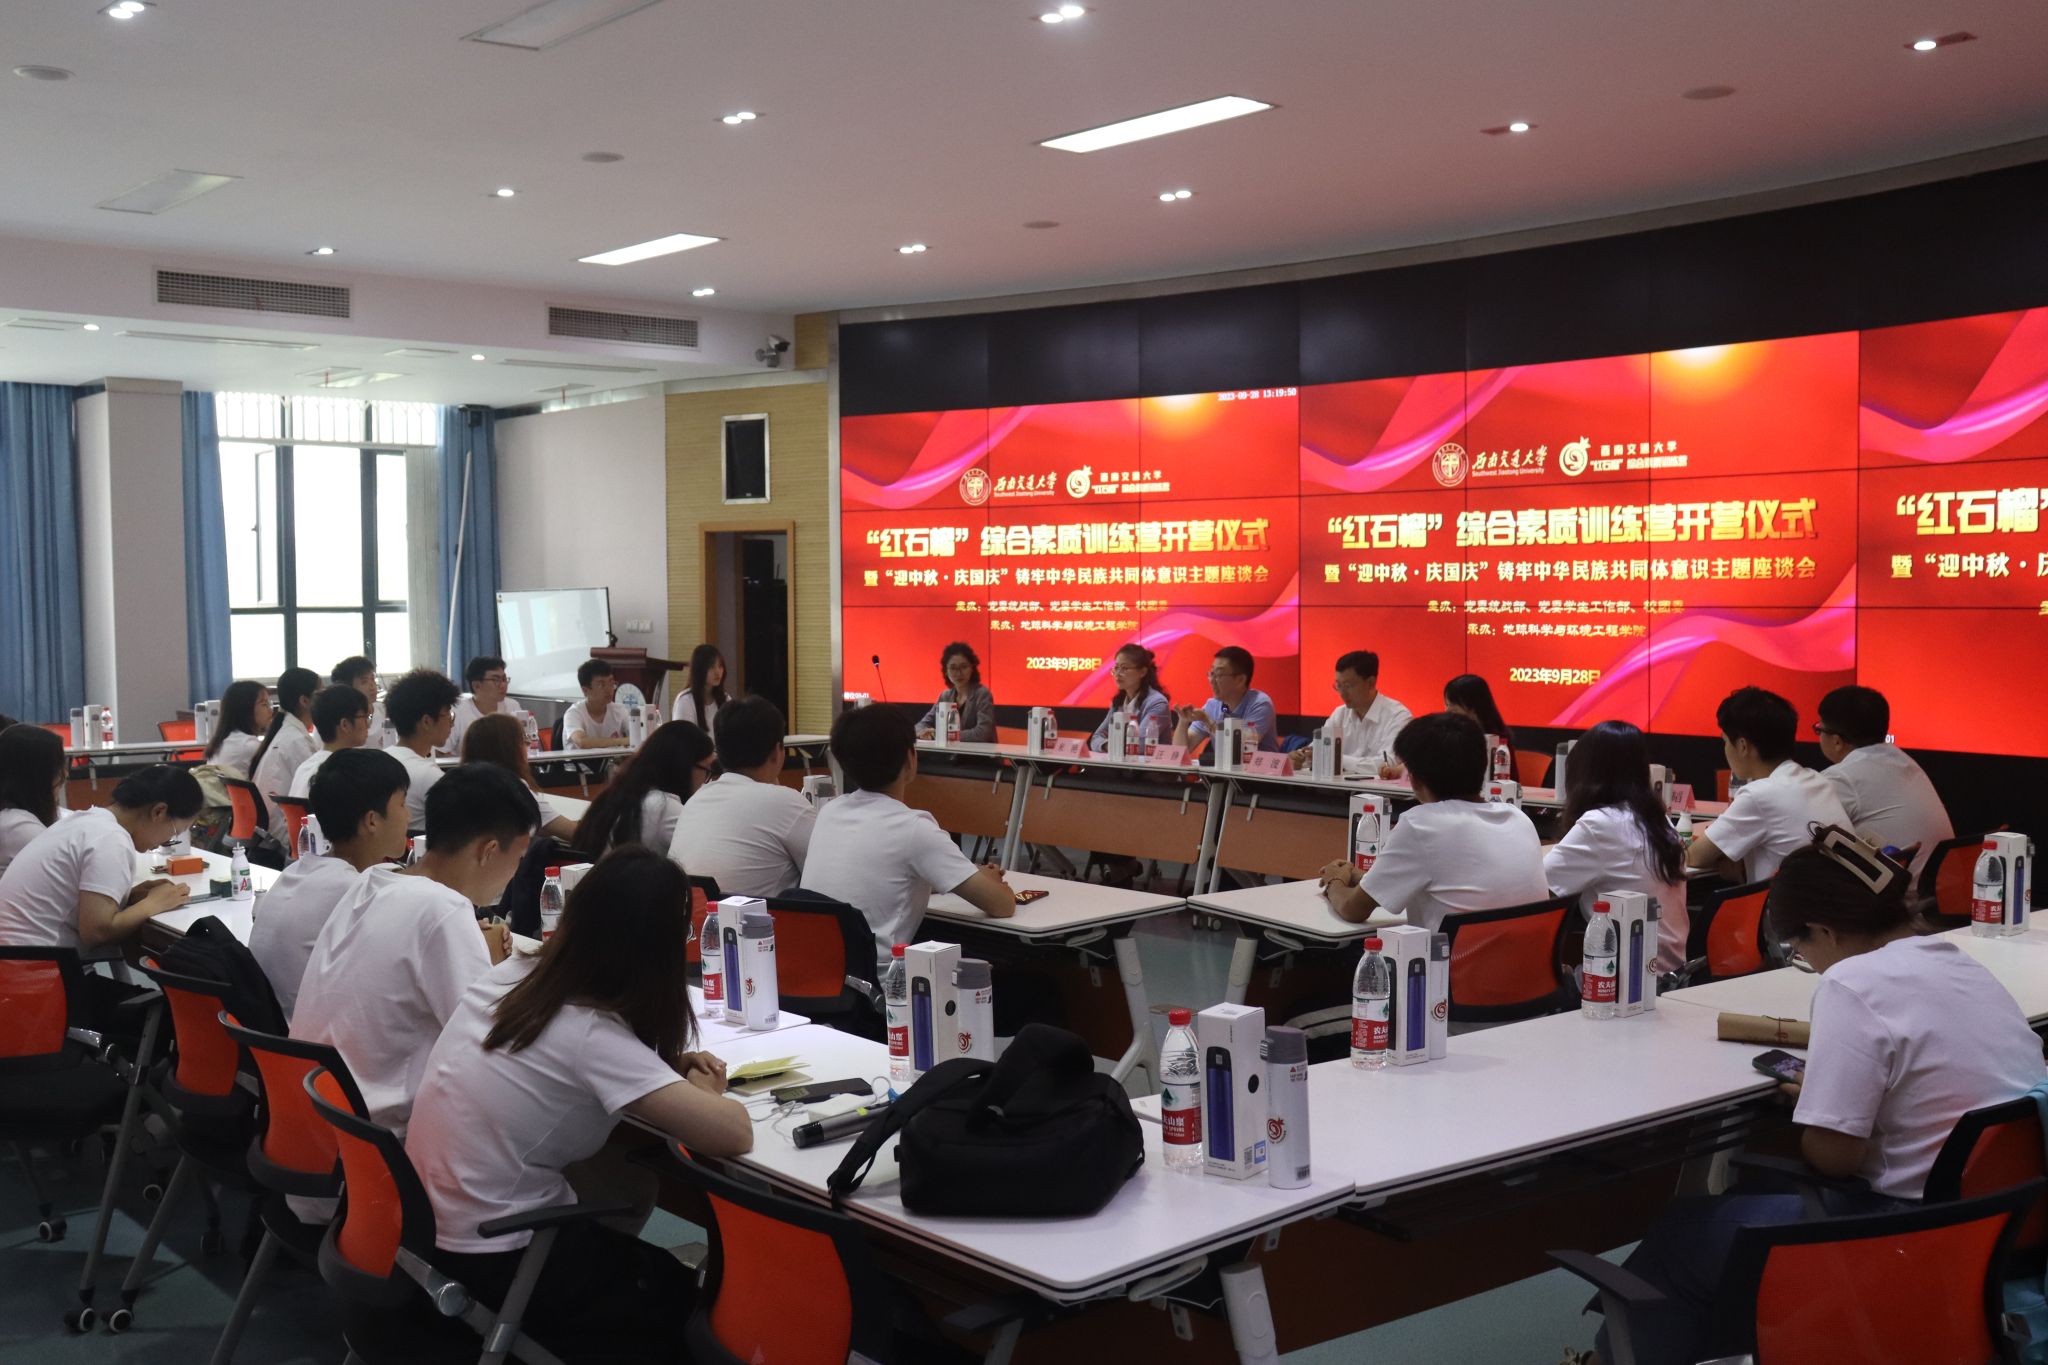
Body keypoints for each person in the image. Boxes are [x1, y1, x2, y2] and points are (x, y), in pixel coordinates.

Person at [1585, 829, 2046, 1364]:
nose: (1805, 960)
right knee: (1745, 1200)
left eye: (1799, 949)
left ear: (1824, 930)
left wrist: (1823, 1106)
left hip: (1907, 1229)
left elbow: (1834, 1158)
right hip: (1990, 1228)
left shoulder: (1852, 982)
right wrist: (1839, 1093)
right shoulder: (1958, 961)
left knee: (1682, 1236)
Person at [402, 848, 751, 1364]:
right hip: (498, 1259)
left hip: (423, 1234)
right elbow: (734, 1133)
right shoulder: (590, 1034)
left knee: (628, 1184)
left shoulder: (514, 977)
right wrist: (705, 1093)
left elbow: (575, 1058)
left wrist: (657, 1066)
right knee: (685, 1300)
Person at [290, 764, 530, 1137]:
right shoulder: (442, 910)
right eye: (519, 858)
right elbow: (489, 1044)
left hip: (312, 1113)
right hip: (372, 1139)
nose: (515, 871)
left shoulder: (371, 882)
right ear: (489, 850)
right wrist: (497, 969)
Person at [802, 703, 1014, 965]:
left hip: (817, 975)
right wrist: (990, 881)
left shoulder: (829, 812)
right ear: (910, 758)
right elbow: (1002, 905)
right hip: (879, 983)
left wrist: (959, 875)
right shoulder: (915, 828)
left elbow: (886, 876)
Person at [1318, 712, 1547, 929]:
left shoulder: (1421, 825)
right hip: (1525, 959)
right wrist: (1365, 878)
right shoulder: (1518, 819)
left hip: (1449, 959)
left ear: (1414, 779)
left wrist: (1334, 881)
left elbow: (1353, 909)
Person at [250, 749, 409, 1021]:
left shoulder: (296, 872)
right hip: (313, 1041)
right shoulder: (356, 892)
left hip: (272, 1036)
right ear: (372, 821)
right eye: (403, 804)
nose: (409, 816)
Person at [0, 764, 201, 951]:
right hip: (34, 968)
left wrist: (129, 896)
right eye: (174, 832)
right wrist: (154, 904)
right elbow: (97, 933)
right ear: (159, 812)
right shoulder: (111, 838)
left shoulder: (86, 820)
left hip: (16, 959)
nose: (166, 841)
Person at [1543, 720, 1688, 972]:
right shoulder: (1658, 820)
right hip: (1672, 972)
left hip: (1627, 978)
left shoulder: (1600, 824)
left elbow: (1537, 886)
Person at [1686, 687, 1850, 883]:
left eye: (1726, 741)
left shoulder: (1758, 795)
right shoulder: (1817, 780)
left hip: (1792, 902)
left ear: (1742, 746)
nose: (1726, 749)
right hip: (1840, 897)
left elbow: (1695, 857)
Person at [668, 698, 814, 897]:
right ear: (776, 751)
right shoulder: (787, 803)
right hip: (750, 916)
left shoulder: (697, 799)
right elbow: (824, 867)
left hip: (690, 914)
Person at [1815, 685, 1954, 885]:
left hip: (1901, 899)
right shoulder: (1903, 760)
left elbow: (1803, 840)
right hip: (1940, 894)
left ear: (1837, 741)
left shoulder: (1842, 777)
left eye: (1818, 729)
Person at [574, 720, 714, 855]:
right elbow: (707, 853)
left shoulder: (618, 793)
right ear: (684, 766)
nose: (706, 781)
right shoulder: (665, 807)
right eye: (706, 769)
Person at [461, 714, 579, 844]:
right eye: (524, 740)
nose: (528, 745)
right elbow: (575, 833)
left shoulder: (459, 783)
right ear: (510, 749)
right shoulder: (515, 789)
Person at [1292, 651, 1412, 777]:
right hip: (1336, 786)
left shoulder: (1398, 716)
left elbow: (1388, 764)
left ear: (1370, 682)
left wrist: (1335, 759)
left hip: (1379, 789)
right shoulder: (1340, 714)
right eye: (1338, 685)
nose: (1342, 693)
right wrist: (1300, 758)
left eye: (1348, 686)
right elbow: (1317, 750)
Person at [250, 666, 323, 845]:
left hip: (270, 830)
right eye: (321, 694)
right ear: (304, 700)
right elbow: (316, 795)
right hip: (285, 835)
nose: (326, 700)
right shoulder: (295, 740)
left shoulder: (286, 731)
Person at [383, 668, 460, 829]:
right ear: (427, 722)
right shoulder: (429, 775)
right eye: (448, 715)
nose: (451, 724)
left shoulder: (383, 758)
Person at [1171, 646, 1280, 757]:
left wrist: (1208, 722)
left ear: (1240, 680)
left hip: (1259, 767)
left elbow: (1242, 749)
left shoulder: (1260, 704)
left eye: (1218, 674)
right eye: (1211, 673)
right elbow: (1180, 752)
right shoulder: (1212, 705)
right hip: (1223, 768)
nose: (1212, 680)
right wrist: (1183, 722)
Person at [0, 723, 66, 876]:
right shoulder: (18, 828)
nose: (64, 776)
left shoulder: (11, 820)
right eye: (58, 769)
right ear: (38, 776)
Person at [289, 684, 371, 798]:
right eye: (365, 717)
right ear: (345, 725)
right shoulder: (341, 773)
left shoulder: (305, 767)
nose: (368, 724)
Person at [1088, 643, 1173, 752]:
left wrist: (1113, 747)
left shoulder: (1157, 702)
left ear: (1142, 672)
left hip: (1150, 762)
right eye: (1116, 668)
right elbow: (1096, 737)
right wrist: (1109, 746)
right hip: (1122, 761)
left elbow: (1140, 744)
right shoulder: (1119, 702)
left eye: (1124, 668)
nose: (1118, 674)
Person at [916, 642, 996, 743]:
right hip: (950, 752)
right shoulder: (945, 696)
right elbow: (921, 725)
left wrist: (942, 735)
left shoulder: (982, 694)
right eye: (953, 668)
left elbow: (983, 733)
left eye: (964, 667)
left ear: (972, 668)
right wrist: (923, 732)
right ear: (946, 671)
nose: (959, 673)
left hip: (979, 752)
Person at [445, 655, 520, 756]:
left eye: (504, 679)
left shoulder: (513, 706)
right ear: (476, 685)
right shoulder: (458, 711)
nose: (503, 685)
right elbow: (441, 752)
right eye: (496, 680)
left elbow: (524, 745)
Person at [204, 679, 273, 777]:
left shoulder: (222, 742)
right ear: (246, 709)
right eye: (264, 704)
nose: (270, 711)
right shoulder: (249, 746)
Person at [563, 659, 631, 750]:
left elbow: (639, 737)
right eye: (602, 685)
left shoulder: (619, 710)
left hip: (614, 759)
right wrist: (623, 741)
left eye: (611, 683)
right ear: (585, 690)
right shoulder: (573, 713)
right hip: (582, 759)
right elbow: (583, 742)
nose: (609, 689)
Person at [1443, 673, 1514, 753]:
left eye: (1453, 705)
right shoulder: (1448, 737)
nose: (1447, 711)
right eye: (1446, 704)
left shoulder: (1500, 744)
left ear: (1473, 706)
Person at [332, 654, 392, 748]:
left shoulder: (384, 710)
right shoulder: (340, 721)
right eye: (364, 682)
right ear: (348, 688)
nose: (372, 685)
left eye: (373, 679)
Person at [671, 642, 730, 732]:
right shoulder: (685, 700)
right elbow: (683, 737)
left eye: (720, 666)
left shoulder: (726, 699)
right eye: (711, 667)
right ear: (699, 669)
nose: (718, 672)